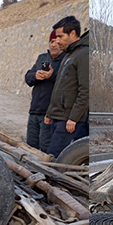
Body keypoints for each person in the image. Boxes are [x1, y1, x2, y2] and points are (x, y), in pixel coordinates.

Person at [44, 16, 89, 158]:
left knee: (55, 157)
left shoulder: (83, 54)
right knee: (52, 156)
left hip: (68, 120)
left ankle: (53, 181)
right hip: (58, 117)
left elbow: (85, 91)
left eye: (60, 36)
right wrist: (50, 113)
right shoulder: (69, 54)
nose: (57, 41)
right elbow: (60, 87)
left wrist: (74, 119)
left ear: (73, 34)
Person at [24, 29, 65, 152]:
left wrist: (52, 77)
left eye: (57, 42)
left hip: (50, 115)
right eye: (51, 41)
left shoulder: (66, 61)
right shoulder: (42, 58)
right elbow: (28, 78)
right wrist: (35, 76)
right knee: (30, 147)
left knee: (46, 149)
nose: (53, 45)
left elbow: (67, 85)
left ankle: (46, 171)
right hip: (34, 111)